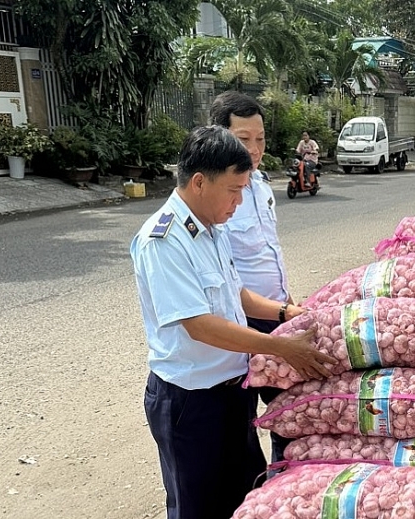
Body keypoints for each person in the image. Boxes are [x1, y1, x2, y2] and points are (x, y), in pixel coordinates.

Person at [130, 125, 336, 519]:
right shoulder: (163, 240)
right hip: (190, 401)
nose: (239, 202)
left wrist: (283, 313)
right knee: (198, 507)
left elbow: (236, 294)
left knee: (244, 498)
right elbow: (199, 325)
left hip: (231, 393)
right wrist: (280, 346)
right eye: (233, 190)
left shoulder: (211, 229)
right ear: (199, 182)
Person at [209, 91, 296, 468]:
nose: (255, 148)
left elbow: (267, 249)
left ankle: (284, 481)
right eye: (244, 140)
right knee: (240, 416)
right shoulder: (215, 196)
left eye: (260, 139)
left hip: (276, 310)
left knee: (288, 410)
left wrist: (287, 302)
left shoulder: (259, 184)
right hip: (241, 320)